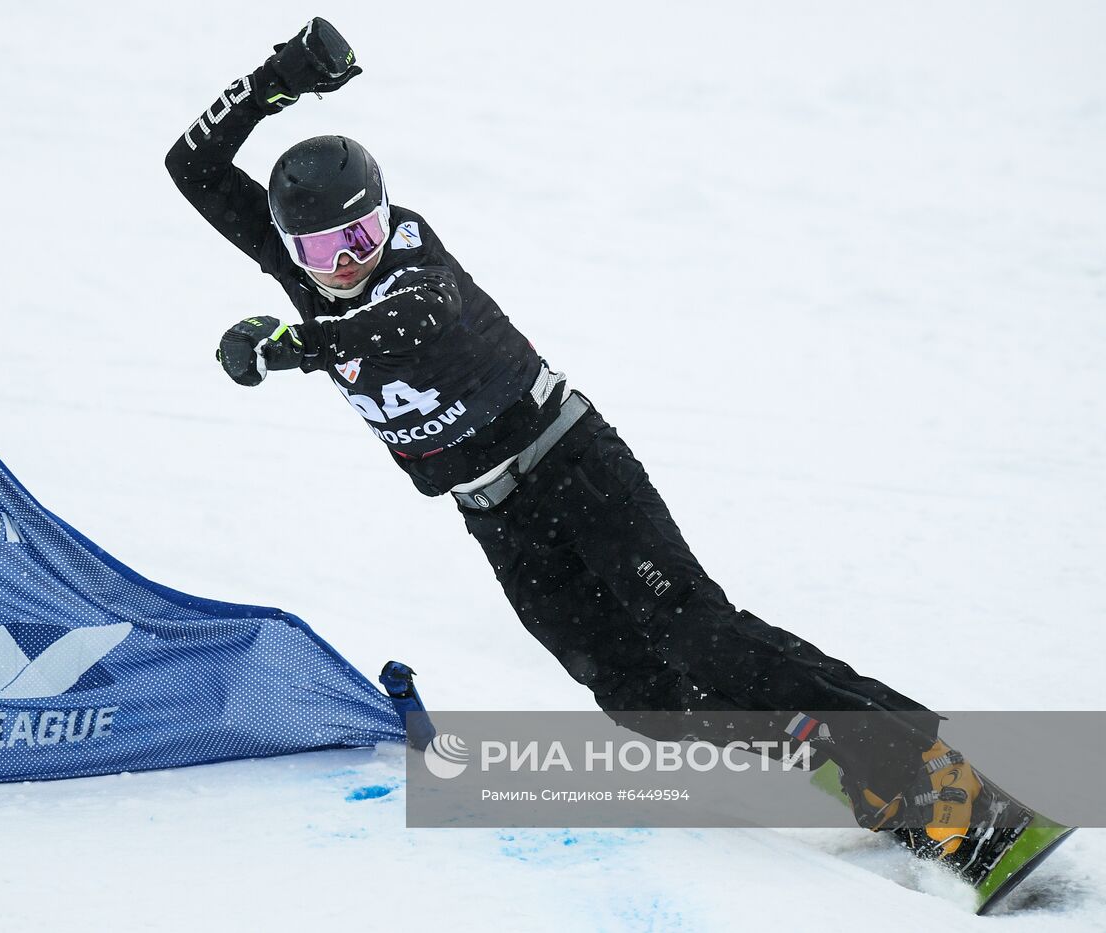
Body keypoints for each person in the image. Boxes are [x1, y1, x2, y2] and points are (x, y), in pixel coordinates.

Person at [165, 18, 996, 867]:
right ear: (289, 246)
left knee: (705, 637)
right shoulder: (302, 265)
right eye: (324, 249)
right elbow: (188, 165)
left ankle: (949, 786)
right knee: (643, 698)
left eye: (363, 233)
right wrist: (277, 78)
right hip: (495, 514)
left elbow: (414, 316)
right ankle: (886, 791)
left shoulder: (410, 257)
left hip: (571, 463)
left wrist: (299, 346)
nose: (349, 260)